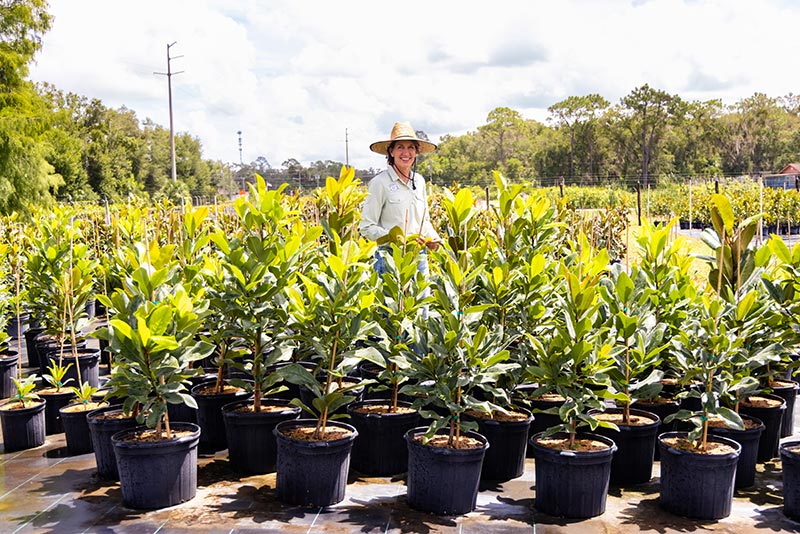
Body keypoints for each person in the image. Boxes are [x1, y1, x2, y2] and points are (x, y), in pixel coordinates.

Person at [359, 121, 441, 274]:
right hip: (389, 259)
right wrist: (397, 239)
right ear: (391, 152)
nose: (406, 153)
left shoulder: (420, 182)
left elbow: (425, 221)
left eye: (411, 147)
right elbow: (366, 227)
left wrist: (433, 238)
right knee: (391, 299)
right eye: (400, 147)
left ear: (416, 152)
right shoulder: (379, 183)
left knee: (421, 298)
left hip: (419, 258)